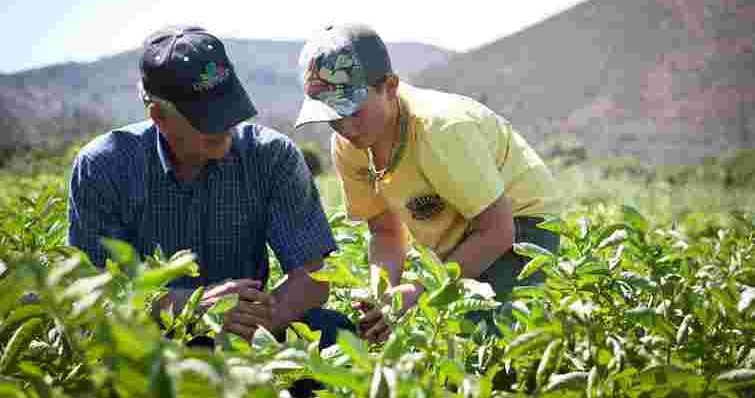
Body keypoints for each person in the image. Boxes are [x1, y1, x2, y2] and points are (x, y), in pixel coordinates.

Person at [67, 26, 355, 392]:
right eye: (206, 117)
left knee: (333, 332)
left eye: (227, 109)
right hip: (155, 337)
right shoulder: (105, 166)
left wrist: (254, 324)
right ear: (159, 116)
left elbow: (314, 273)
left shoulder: (270, 156)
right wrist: (195, 307)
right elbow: (94, 296)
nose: (224, 125)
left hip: (251, 334)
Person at [294, 23, 561, 343]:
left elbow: (496, 231)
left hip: (520, 228)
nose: (346, 126)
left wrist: (417, 291)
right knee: (413, 336)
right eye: (332, 114)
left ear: (390, 87)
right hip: (454, 239)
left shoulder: (442, 129)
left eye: (354, 110)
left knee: (480, 339)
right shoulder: (349, 147)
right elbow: (385, 230)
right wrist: (385, 293)